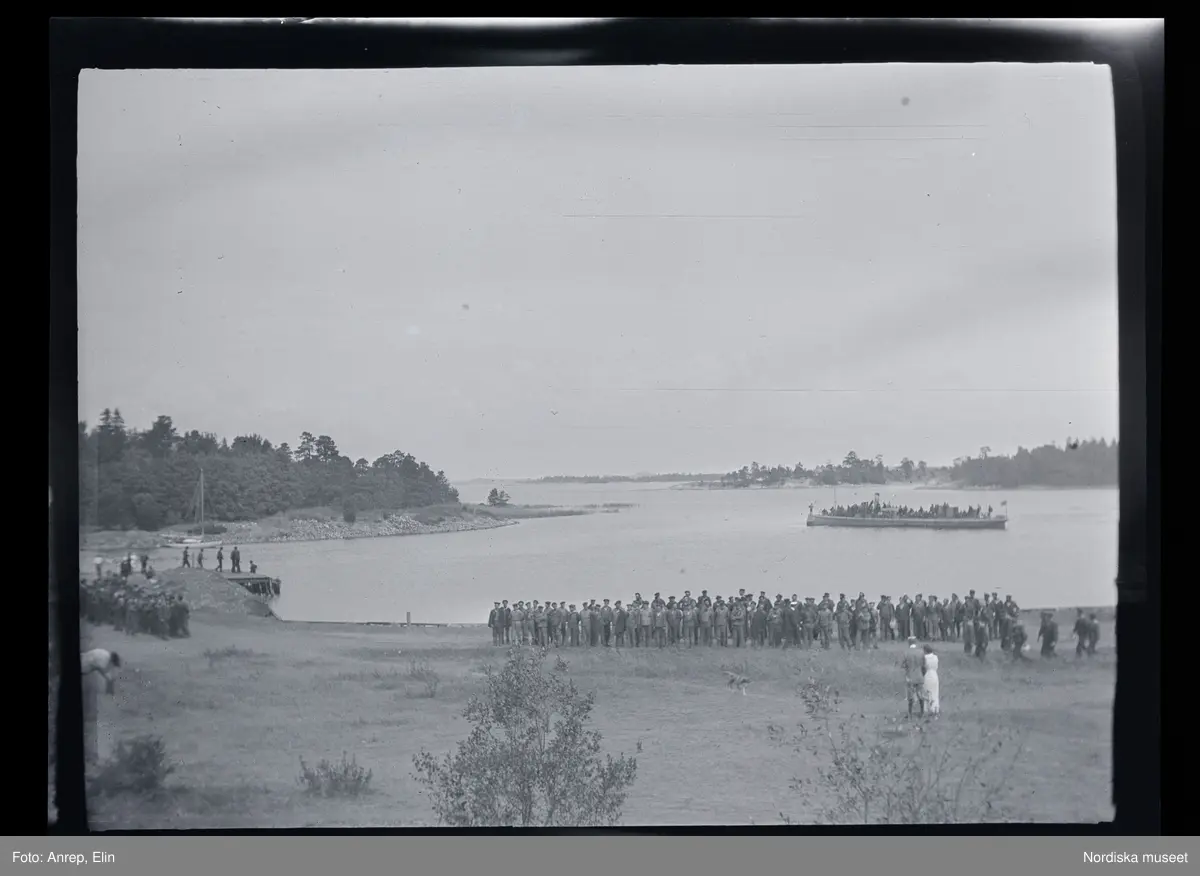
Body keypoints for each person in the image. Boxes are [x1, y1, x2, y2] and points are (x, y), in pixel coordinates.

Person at [901, 638, 925, 719]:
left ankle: (910, 713)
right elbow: (924, 665)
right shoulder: (921, 652)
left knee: (910, 696)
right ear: (915, 642)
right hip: (919, 676)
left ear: (909, 643)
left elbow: (902, 665)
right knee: (920, 694)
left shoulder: (906, 652)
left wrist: (907, 668)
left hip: (910, 677)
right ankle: (922, 712)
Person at [922, 644, 940, 715]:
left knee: (927, 692)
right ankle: (935, 708)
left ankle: (927, 709)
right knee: (935, 692)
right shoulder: (935, 657)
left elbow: (923, 667)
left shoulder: (925, 658)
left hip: (927, 674)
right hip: (935, 675)